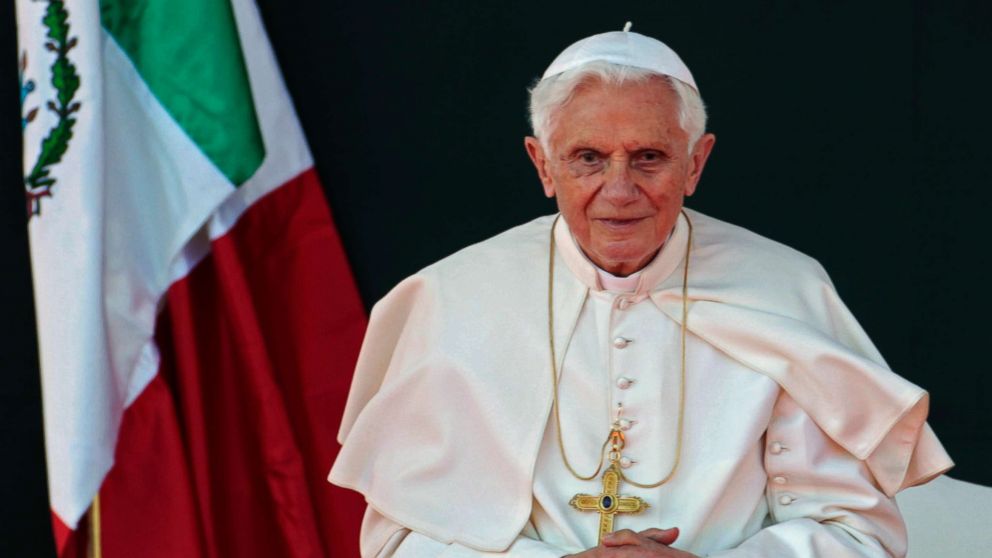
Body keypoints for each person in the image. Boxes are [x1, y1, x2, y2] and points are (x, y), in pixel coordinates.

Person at [329, 26, 953, 557]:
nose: (620, 190)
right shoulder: (453, 298)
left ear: (697, 162)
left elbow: (858, 534)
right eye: (588, 158)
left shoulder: (786, 290)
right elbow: (400, 540)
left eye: (649, 157)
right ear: (543, 165)